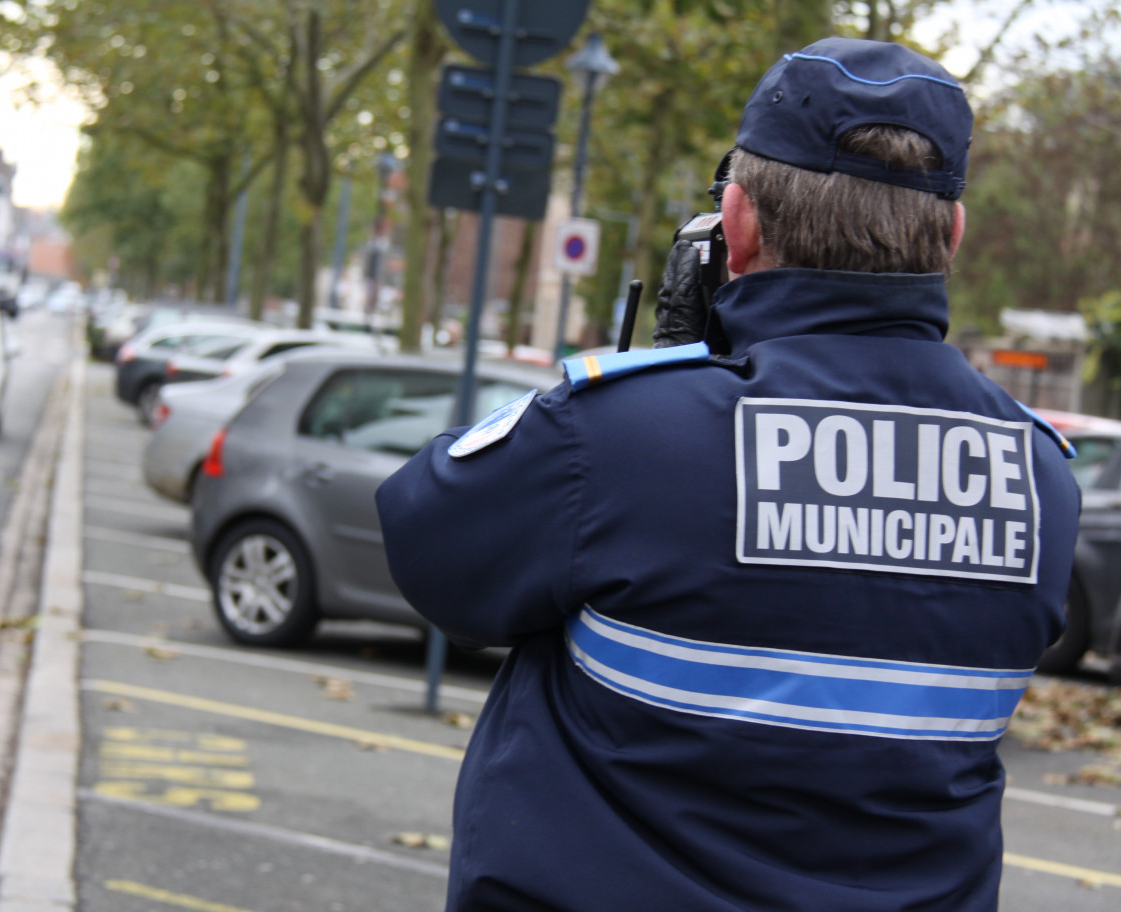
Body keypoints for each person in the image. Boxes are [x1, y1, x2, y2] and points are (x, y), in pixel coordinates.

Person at [375, 37, 1081, 912]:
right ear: (954, 236)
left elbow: (424, 541)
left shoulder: (620, 437)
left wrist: (682, 368)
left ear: (737, 223)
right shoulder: (1042, 479)